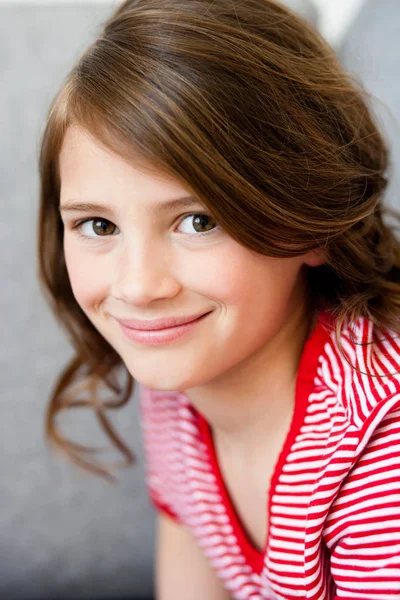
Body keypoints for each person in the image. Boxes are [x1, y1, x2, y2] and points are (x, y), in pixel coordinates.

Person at [37, 0, 400, 598]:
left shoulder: (377, 448)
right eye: (99, 227)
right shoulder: (179, 390)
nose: (138, 287)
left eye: (198, 221)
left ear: (307, 222)